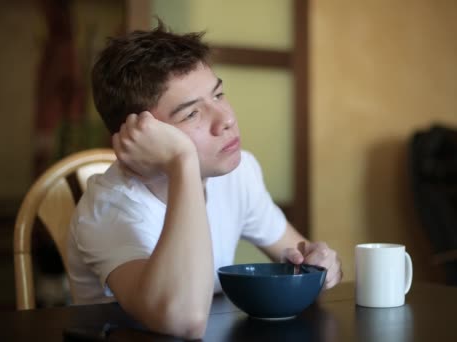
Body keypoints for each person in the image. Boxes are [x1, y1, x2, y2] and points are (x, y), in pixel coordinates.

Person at [67, 21, 342, 339]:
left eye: (219, 94)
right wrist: (181, 162)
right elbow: (182, 322)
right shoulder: (108, 209)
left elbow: (300, 258)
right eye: (191, 114)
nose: (226, 119)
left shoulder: (237, 173)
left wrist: (322, 266)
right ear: (138, 135)